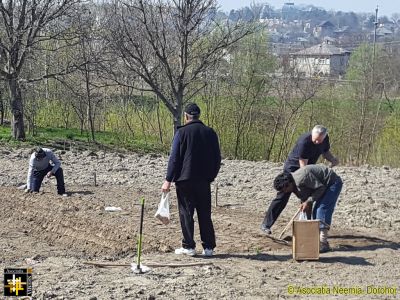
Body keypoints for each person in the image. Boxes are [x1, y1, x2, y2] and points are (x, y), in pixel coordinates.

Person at [162, 103, 221, 257]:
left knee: (186, 213)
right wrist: (211, 176)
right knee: (204, 214)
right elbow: (217, 158)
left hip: (184, 180)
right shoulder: (210, 132)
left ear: (186, 116)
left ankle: (189, 246)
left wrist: (168, 179)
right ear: (198, 115)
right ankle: (208, 248)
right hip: (204, 180)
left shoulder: (181, 133)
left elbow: (174, 158)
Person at [261, 125, 339, 234]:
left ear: (324, 137)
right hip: (293, 169)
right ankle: (266, 224)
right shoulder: (304, 142)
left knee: (308, 199)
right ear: (312, 134)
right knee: (283, 196)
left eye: (319, 140)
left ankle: (307, 229)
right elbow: (303, 167)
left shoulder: (324, 138)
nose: (317, 142)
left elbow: (325, 151)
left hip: (308, 170)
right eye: (315, 140)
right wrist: (305, 184)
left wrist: (333, 159)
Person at [272, 164, 343, 252]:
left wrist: (308, 201)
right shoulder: (294, 186)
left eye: (284, 189)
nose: (285, 192)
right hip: (322, 185)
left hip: (332, 183)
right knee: (314, 212)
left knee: (321, 210)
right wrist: (307, 224)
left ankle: (323, 243)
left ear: (289, 184)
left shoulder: (302, 178)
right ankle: (315, 240)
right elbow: (307, 203)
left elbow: (321, 188)